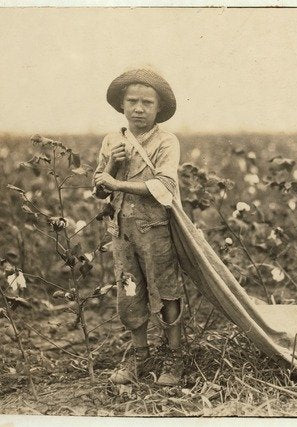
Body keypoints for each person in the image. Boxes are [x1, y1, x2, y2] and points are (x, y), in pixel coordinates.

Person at [92, 69, 184, 386]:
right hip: (122, 231)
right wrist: (111, 165)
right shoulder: (112, 140)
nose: (139, 109)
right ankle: (139, 356)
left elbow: (164, 185)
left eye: (147, 102)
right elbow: (99, 188)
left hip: (155, 230)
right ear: (122, 105)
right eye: (132, 101)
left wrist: (117, 181)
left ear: (158, 108)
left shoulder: (165, 141)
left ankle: (174, 358)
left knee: (166, 292)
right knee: (130, 293)